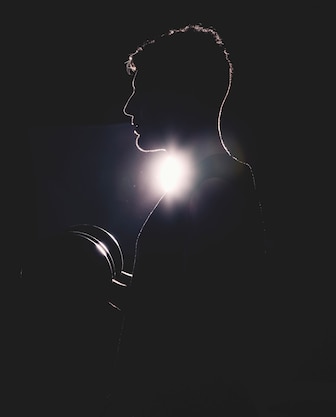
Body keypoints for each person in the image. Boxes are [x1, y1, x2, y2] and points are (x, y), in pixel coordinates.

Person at [103, 24, 268, 416]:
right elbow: (176, 291)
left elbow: (196, 321)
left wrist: (98, 289)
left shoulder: (215, 188)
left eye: (139, 90)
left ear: (178, 96)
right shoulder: (205, 180)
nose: (129, 107)